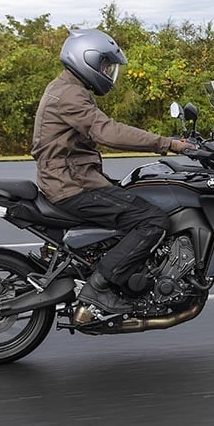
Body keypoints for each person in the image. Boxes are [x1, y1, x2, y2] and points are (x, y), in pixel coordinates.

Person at [31, 28, 192, 314]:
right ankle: (99, 287)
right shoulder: (69, 94)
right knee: (153, 220)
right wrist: (168, 144)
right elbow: (108, 131)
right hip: (71, 186)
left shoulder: (68, 87)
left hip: (71, 179)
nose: (107, 72)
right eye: (105, 65)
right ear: (86, 59)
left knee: (138, 196)